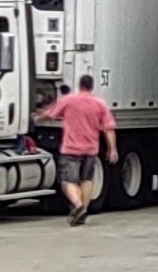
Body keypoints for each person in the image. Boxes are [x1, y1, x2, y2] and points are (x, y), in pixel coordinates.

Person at [35, 74, 117, 225]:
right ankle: (82, 212)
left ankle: (78, 206)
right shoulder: (100, 104)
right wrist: (112, 149)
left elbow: (51, 114)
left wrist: (37, 117)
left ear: (79, 85)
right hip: (91, 149)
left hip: (71, 149)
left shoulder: (69, 100)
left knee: (68, 181)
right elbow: (109, 128)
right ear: (91, 87)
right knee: (86, 180)